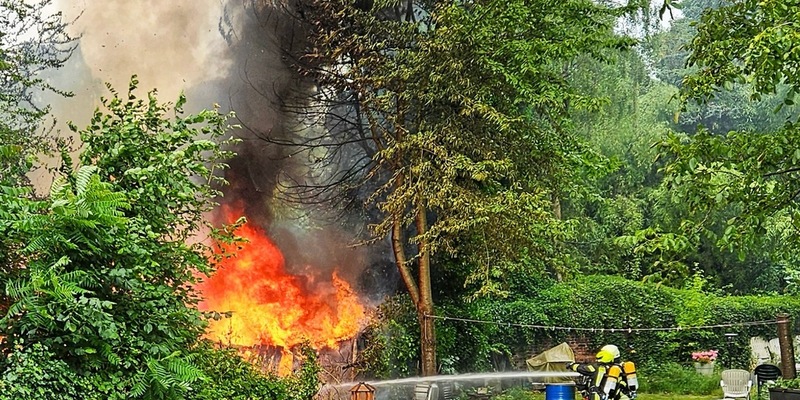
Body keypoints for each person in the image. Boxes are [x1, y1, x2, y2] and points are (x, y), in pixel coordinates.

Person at [566, 344, 638, 400]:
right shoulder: (622, 367)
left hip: (599, 396)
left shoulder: (597, 367)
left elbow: (580, 368)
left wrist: (571, 365)